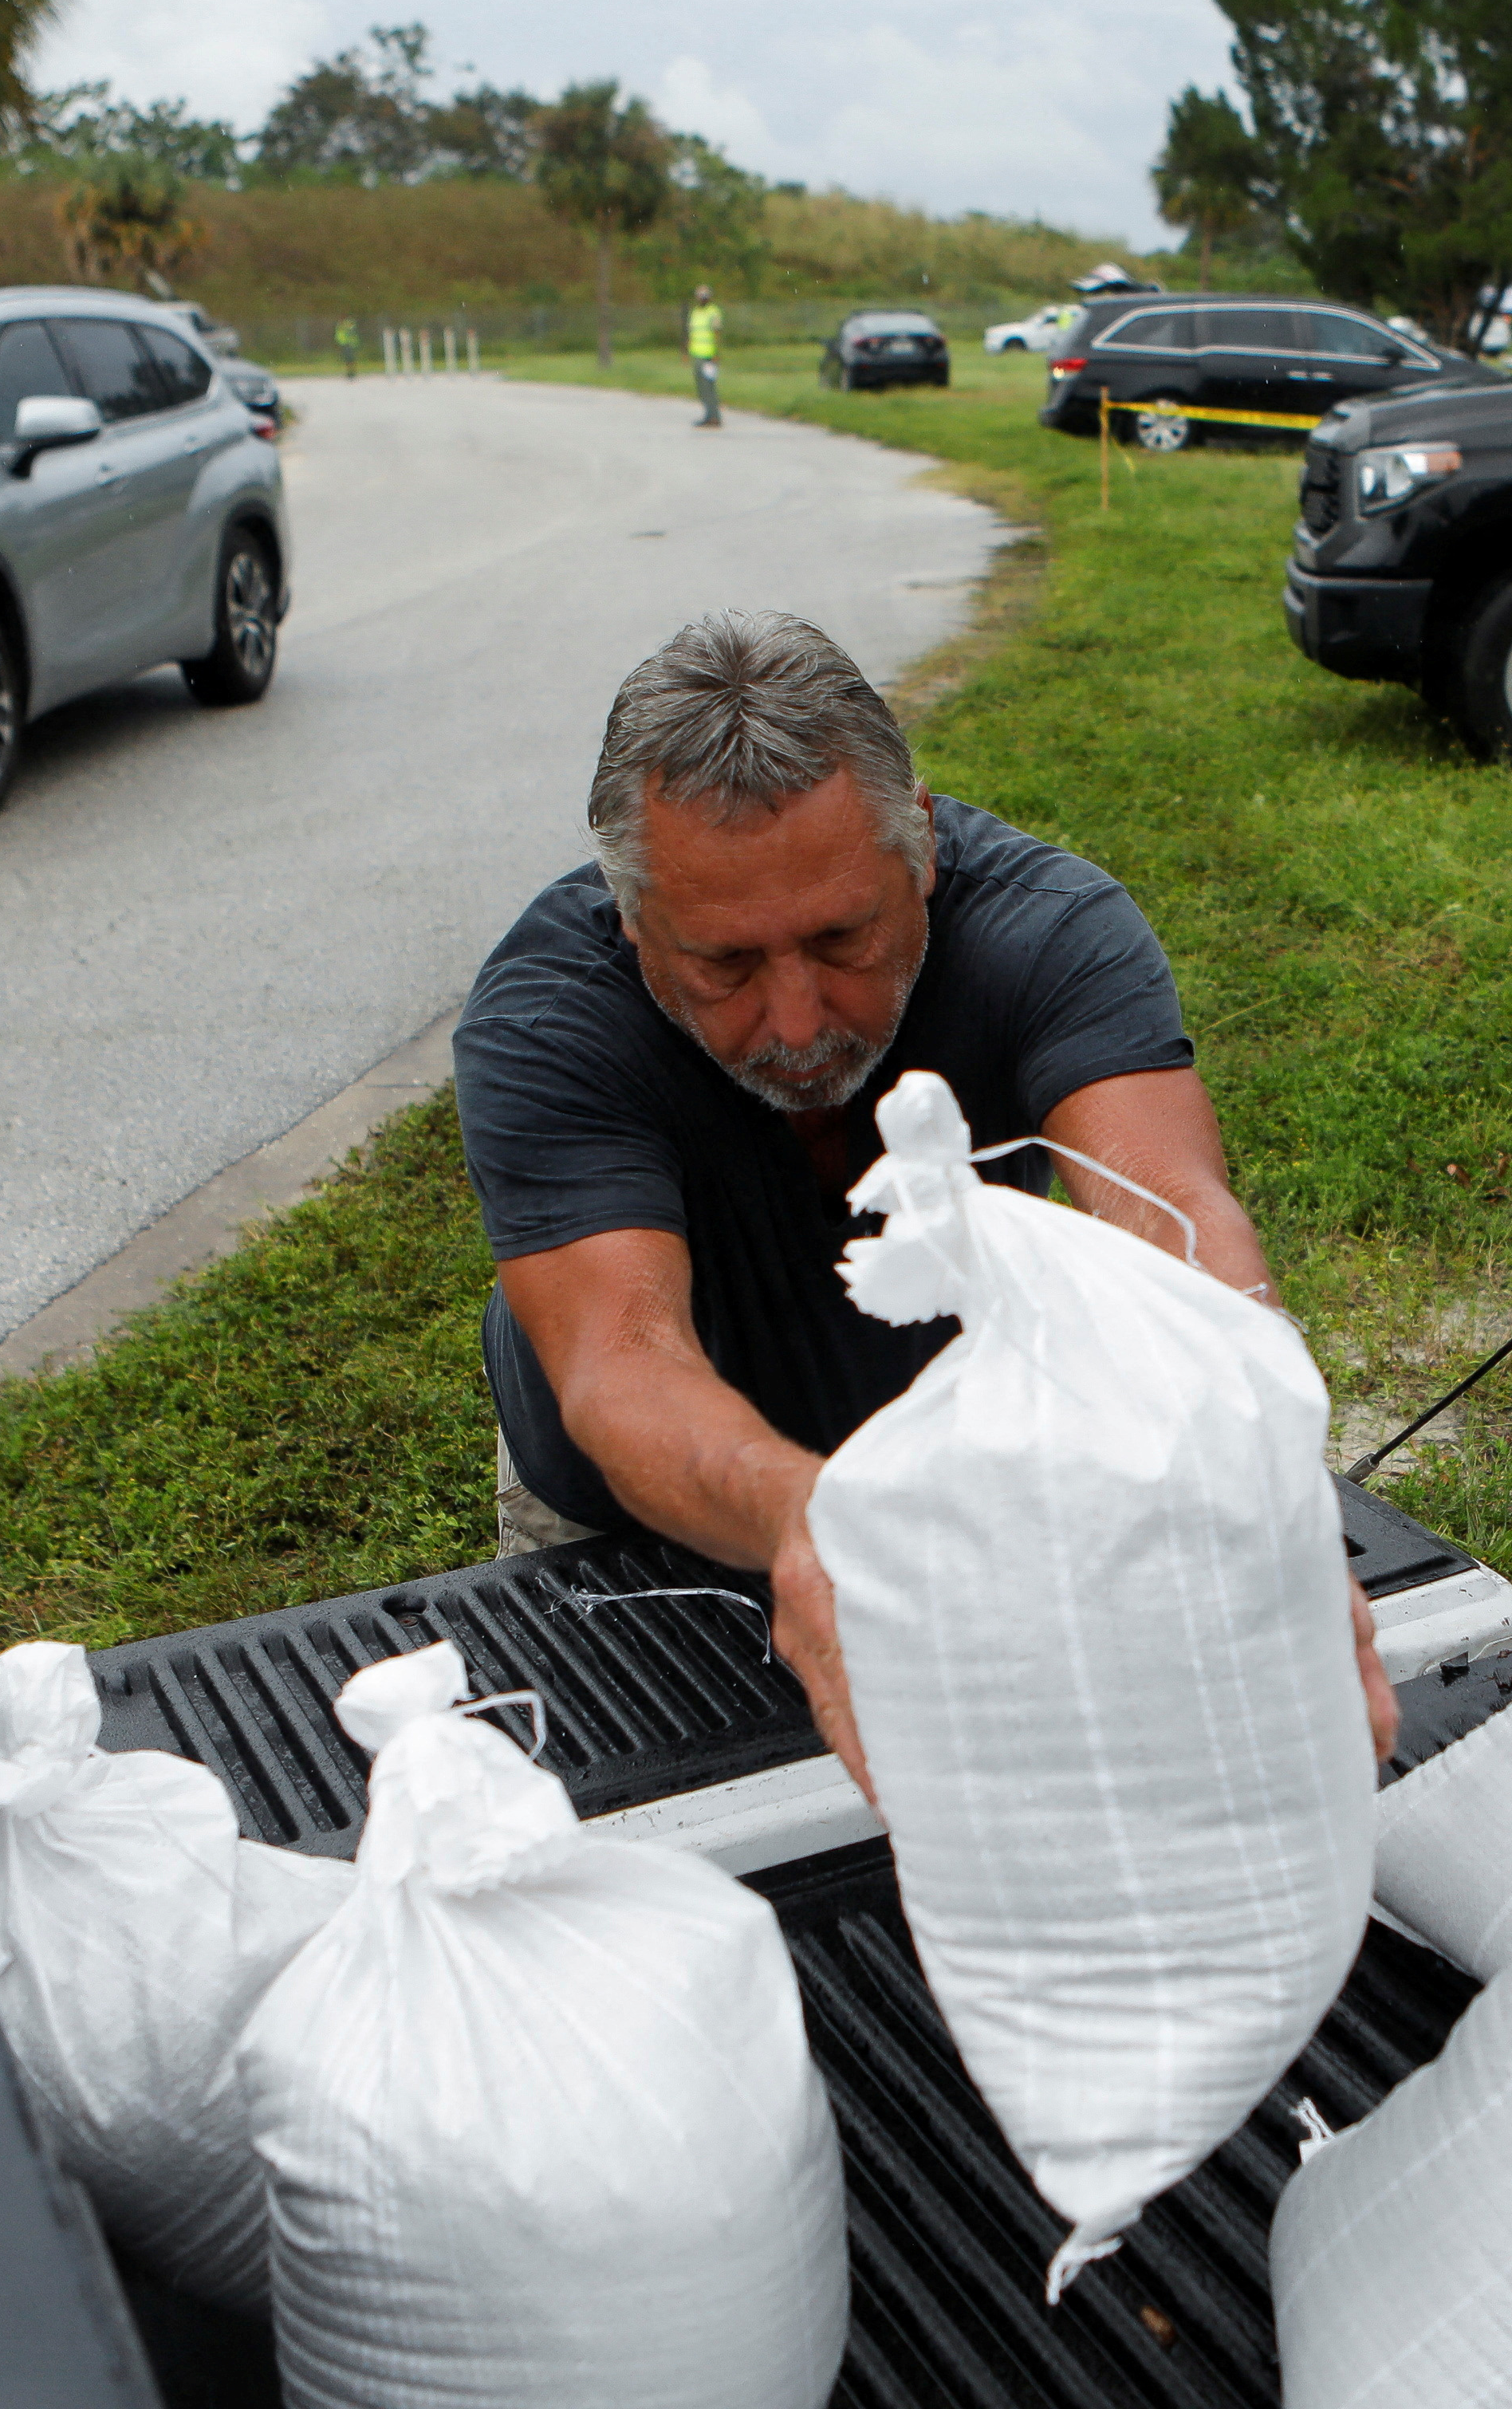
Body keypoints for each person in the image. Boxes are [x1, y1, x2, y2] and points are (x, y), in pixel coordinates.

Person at [453, 608, 1397, 1780]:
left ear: (925, 848)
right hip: (630, 1516)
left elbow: (1168, 1209)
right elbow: (624, 1353)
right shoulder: (549, 1014)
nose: (797, 1023)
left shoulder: (1051, 932)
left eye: (844, 937)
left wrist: (1247, 1448)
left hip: (949, 1469)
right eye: (726, 965)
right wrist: (804, 1518)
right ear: (638, 922)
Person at [688, 285, 725, 427]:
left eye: (705, 296)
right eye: (700, 296)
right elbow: (692, 332)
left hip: (709, 356)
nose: (703, 299)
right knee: (701, 388)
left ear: (709, 297)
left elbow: (717, 333)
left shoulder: (713, 312)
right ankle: (708, 415)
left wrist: (716, 354)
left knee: (709, 386)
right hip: (696, 354)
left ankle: (714, 417)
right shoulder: (695, 312)